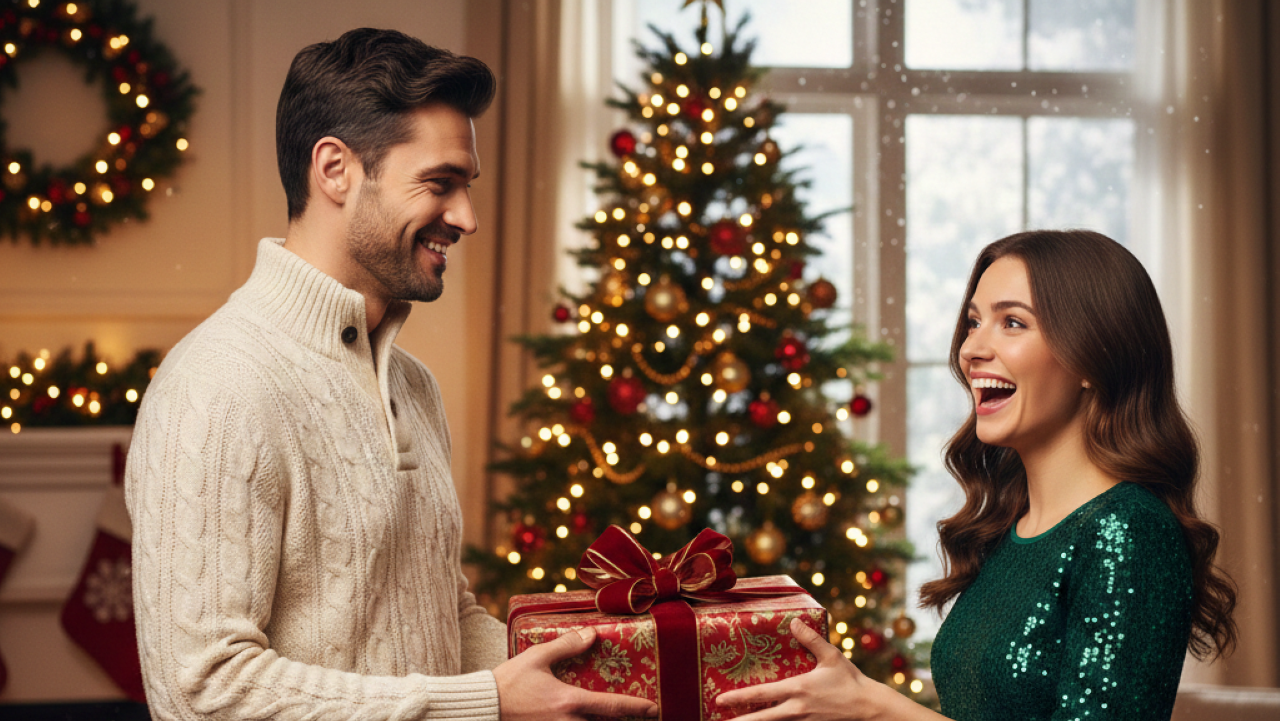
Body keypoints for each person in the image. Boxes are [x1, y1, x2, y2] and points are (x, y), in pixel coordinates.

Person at [125, 28, 656, 721]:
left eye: (466, 187)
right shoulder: (217, 385)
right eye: (440, 184)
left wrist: (604, 673)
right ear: (335, 169)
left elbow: (444, 618)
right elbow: (201, 691)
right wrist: (490, 702)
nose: (466, 218)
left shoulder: (413, 384)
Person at [715, 230, 1237, 721]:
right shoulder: (1012, 527)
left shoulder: (1129, 532)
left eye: (1012, 322)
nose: (971, 349)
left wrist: (877, 707)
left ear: (1091, 357)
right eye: (973, 322)